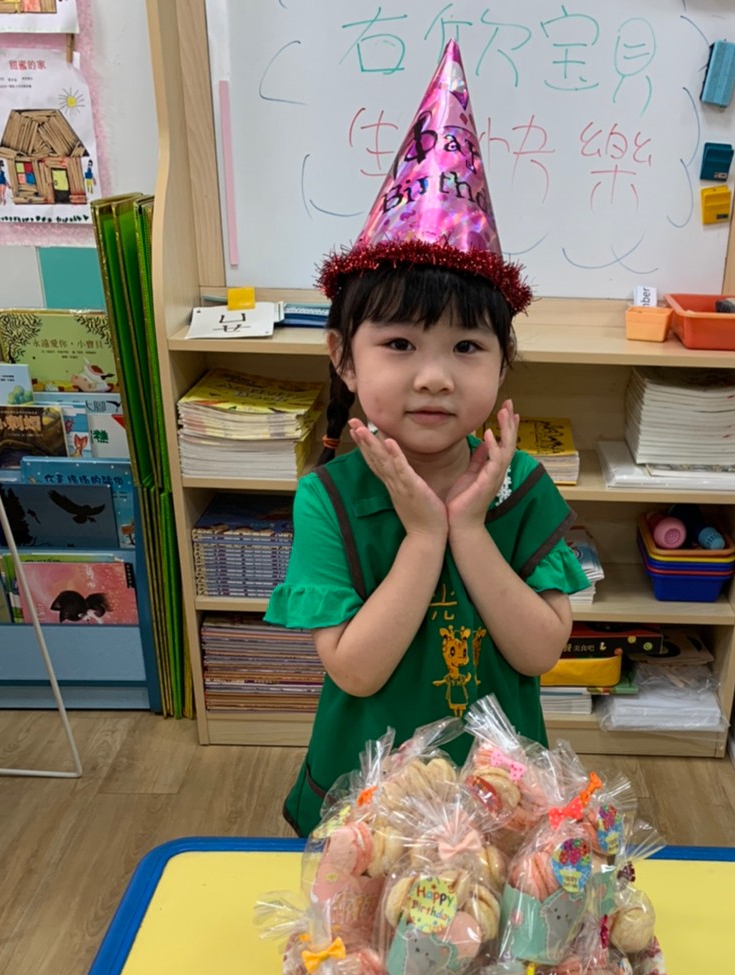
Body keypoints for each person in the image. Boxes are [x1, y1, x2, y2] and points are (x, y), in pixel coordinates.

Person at [266, 41, 588, 837]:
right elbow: (355, 668)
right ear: (344, 357)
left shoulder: (523, 488)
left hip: (497, 800)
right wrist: (422, 536)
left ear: (503, 363)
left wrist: (469, 528)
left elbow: (538, 652)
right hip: (366, 806)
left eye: (467, 347)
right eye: (400, 344)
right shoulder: (329, 499)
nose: (435, 377)